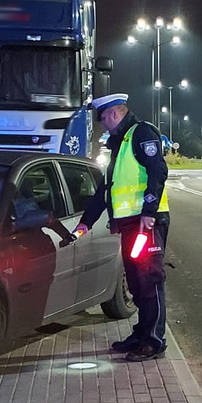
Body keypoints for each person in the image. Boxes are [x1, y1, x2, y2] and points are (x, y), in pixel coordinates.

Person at [75, 92, 171, 362]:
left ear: (115, 113)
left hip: (146, 222)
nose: (102, 124)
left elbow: (158, 172)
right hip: (130, 225)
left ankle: (154, 342)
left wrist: (149, 212)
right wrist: (85, 223)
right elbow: (106, 191)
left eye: (104, 118)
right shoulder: (120, 144)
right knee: (138, 283)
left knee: (149, 281)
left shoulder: (142, 134)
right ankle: (141, 334)